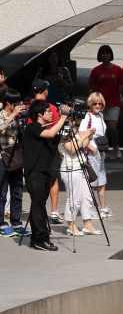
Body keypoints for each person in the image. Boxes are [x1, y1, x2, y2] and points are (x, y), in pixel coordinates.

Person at [23, 100, 70, 251]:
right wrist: (62, 117)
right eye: (48, 112)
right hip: (35, 173)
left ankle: (40, 237)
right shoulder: (33, 127)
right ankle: (39, 239)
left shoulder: (44, 129)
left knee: (40, 205)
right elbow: (50, 133)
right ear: (39, 114)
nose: (51, 114)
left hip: (44, 172)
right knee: (38, 205)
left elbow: (57, 138)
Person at [58, 116, 101, 236]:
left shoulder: (76, 133)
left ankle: (88, 224)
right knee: (74, 198)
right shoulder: (64, 133)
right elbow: (72, 149)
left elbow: (83, 145)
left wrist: (89, 135)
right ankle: (70, 225)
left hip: (81, 167)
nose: (77, 123)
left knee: (87, 196)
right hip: (70, 169)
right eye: (75, 121)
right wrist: (84, 136)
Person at [29, 78, 63, 223]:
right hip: (49, 147)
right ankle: (54, 211)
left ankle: (38, 207)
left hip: (32, 149)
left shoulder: (26, 107)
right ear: (44, 91)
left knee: (36, 180)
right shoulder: (51, 108)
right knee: (53, 179)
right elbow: (56, 129)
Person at [88, 45, 123, 158]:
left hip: (114, 103)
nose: (105, 55)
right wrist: (90, 102)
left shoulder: (118, 70)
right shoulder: (96, 71)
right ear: (99, 55)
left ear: (111, 55)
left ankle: (115, 147)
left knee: (112, 127)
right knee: (101, 128)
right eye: (103, 53)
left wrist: (122, 99)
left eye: (107, 53)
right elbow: (91, 88)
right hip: (99, 104)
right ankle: (104, 149)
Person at [79, 94, 112, 218]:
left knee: (101, 181)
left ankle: (103, 207)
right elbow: (81, 134)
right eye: (95, 103)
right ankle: (90, 209)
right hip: (92, 152)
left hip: (101, 152)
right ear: (90, 104)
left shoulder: (100, 115)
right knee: (92, 181)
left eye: (100, 104)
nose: (98, 106)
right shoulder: (87, 117)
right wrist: (91, 147)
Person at [0, 89, 25, 236]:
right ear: (8, 102)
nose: (19, 105)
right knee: (2, 193)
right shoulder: (1, 114)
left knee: (17, 191)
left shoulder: (18, 116)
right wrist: (13, 115)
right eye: (16, 102)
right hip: (2, 158)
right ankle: (1, 223)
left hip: (16, 157)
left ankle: (16, 222)